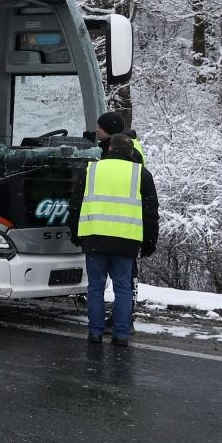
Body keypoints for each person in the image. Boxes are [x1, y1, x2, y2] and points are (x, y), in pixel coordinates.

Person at [70, 133, 158, 346]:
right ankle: (121, 335)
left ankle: (95, 333)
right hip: (126, 241)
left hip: (94, 237)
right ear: (131, 152)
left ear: (109, 149)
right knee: (123, 288)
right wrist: (149, 241)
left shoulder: (91, 170)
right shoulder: (141, 174)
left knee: (95, 287)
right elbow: (150, 212)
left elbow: (75, 204)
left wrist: (75, 233)